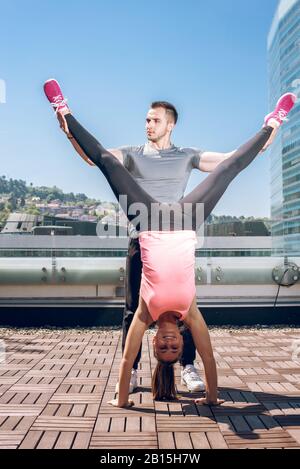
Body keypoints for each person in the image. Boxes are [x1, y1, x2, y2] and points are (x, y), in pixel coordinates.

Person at [44, 80, 296, 406]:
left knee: (231, 169)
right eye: (146, 120)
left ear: (170, 124)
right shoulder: (134, 154)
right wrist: (69, 130)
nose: (148, 124)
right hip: (164, 228)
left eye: (154, 120)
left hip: (153, 222)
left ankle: (187, 365)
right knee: (130, 306)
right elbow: (98, 158)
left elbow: (230, 161)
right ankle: (64, 109)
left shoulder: (187, 155)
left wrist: (266, 137)